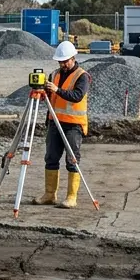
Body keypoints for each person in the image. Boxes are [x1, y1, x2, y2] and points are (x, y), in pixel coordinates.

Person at [34, 39, 90, 208]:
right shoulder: (54, 74)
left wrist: (57, 90)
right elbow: (53, 99)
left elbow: (77, 96)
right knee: (50, 158)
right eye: (60, 61)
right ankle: (50, 194)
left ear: (73, 58)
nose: (63, 64)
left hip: (73, 125)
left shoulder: (82, 76)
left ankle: (71, 197)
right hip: (54, 122)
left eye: (65, 61)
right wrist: (45, 94)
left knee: (72, 160)